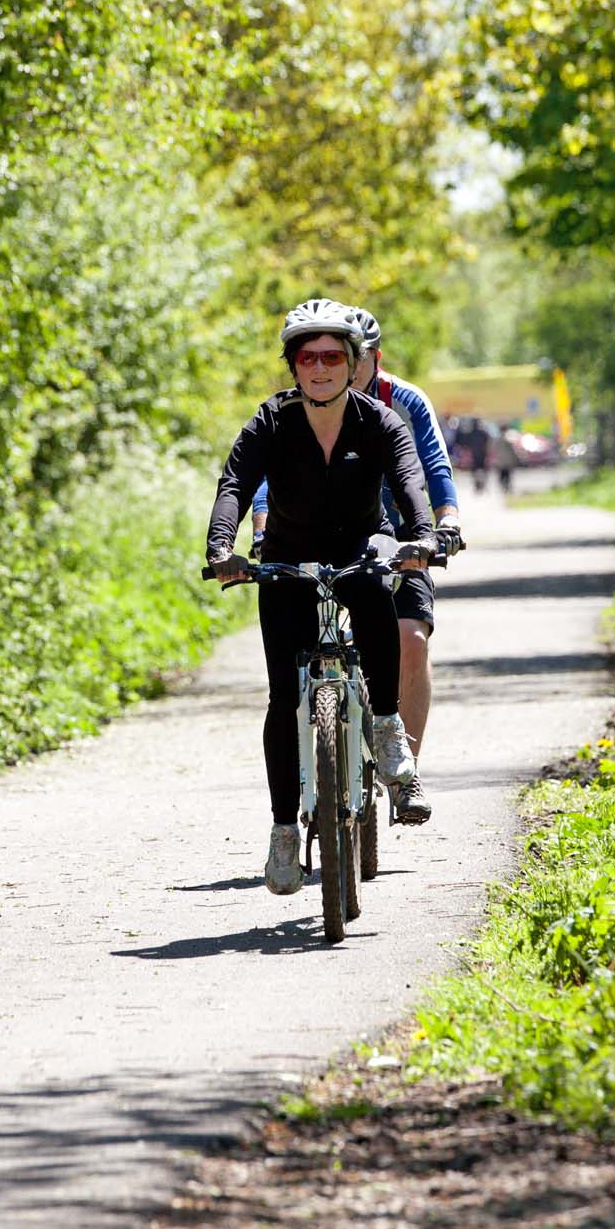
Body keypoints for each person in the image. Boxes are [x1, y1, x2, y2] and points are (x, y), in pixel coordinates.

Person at [206, 298, 436, 896]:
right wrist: (221, 550)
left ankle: (387, 730)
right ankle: (285, 832)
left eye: (334, 355)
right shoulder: (270, 423)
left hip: (360, 548)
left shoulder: (379, 422)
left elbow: (410, 480)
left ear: (353, 361)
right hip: (287, 558)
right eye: (308, 357)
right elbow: (236, 483)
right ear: (293, 366)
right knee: (285, 696)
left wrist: (422, 537)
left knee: (374, 594)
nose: (321, 367)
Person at [249, 306, 462, 799]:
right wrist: (261, 529)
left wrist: (444, 520)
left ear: (369, 358)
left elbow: (431, 465)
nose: (331, 369)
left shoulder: (401, 402)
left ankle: (404, 770)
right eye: (314, 357)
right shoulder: (292, 411)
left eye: (345, 358)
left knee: (410, 636)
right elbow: (267, 477)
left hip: (400, 533)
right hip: (318, 535)